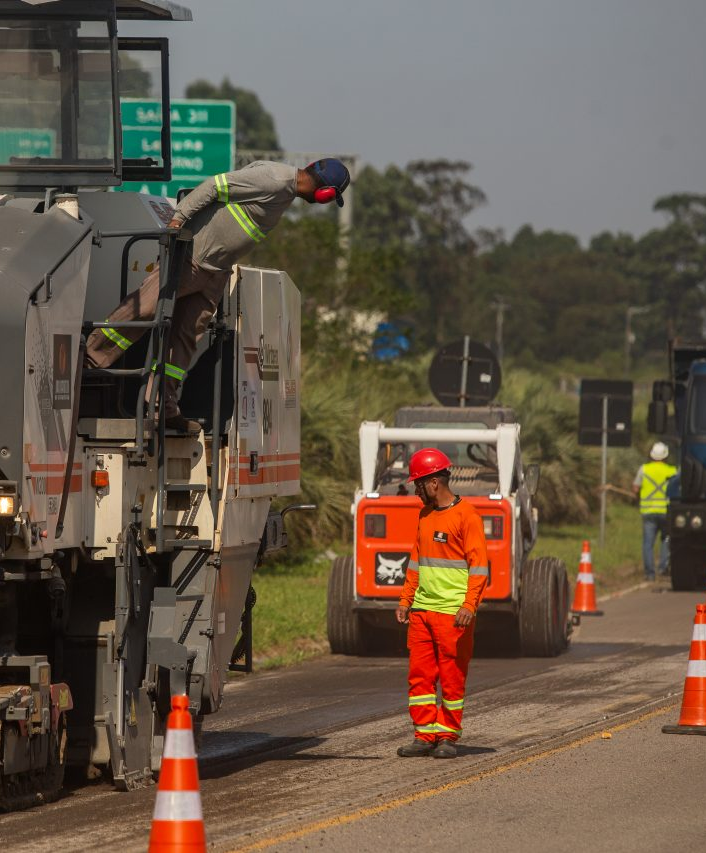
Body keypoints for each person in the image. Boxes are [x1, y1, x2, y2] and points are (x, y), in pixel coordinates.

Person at [84, 158, 352, 431]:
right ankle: (89, 361)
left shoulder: (284, 191)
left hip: (215, 271)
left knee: (186, 336)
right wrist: (178, 219)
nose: (325, 202)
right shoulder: (276, 179)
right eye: (330, 198)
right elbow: (216, 185)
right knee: (143, 309)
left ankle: (162, 407)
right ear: (326, 191)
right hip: (192, 258)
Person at [394, 448, 489, 759]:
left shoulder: (467, 517)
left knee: (451, 676)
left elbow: (479, 567)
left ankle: (447, 736)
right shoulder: (424, 516)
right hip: (422, 611)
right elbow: (416, 562)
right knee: (420, 675)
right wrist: (406, 600)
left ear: (433, 483)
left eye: (418, 485)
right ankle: (424, 735)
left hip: (453, 615)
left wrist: (469, 606)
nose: (416, 491)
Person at [634, 441, 678, 581]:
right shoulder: (672, 471)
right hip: (666, 511)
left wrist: (638, 497)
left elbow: (635, 488)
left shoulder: (644, 469)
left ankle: (649, 574)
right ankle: (663, 567)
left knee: (648, 544)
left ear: (652, 456)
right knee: (666, 539)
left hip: (648, 511)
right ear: (665, 456)